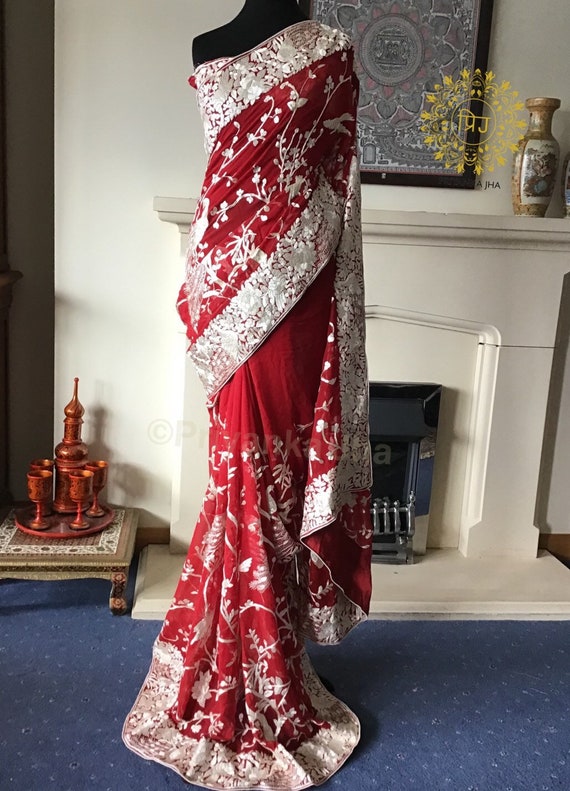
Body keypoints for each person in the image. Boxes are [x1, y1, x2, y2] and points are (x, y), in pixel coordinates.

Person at [123, 2, 373, 788]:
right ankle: (242, 661)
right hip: (227, 286)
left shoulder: (330, 49)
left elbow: (337, 180)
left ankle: (269, 656)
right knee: (240, 474)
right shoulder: (209, 44)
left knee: (275, 476)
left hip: (294, 293)